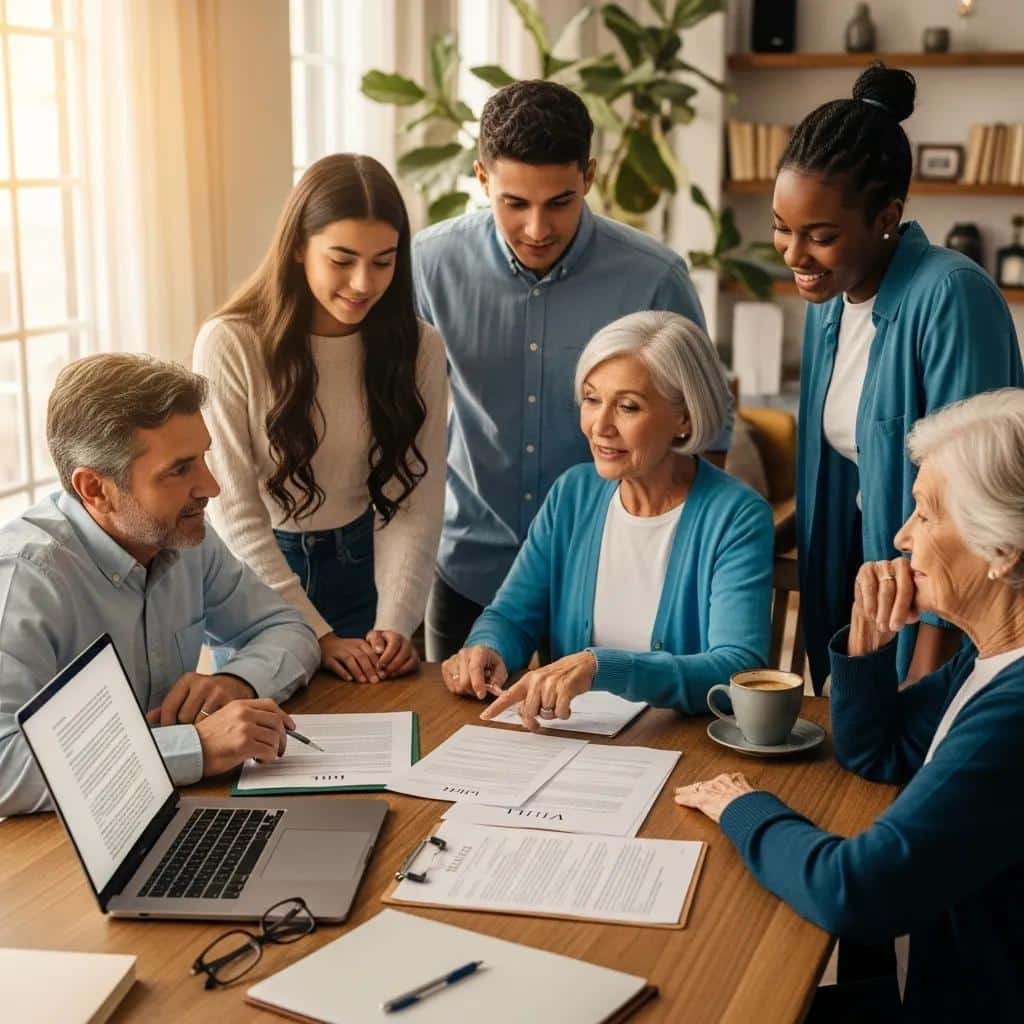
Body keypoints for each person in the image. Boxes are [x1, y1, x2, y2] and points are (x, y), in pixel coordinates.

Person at [676, 389, 1024, 1022]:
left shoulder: (1015, 709)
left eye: (926, 514)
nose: (901, 536)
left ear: (1003, 551)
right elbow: (879, 750)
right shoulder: (988, 661)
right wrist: (868, 640)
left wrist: (743, 806)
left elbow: (853, 889)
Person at [413, 80, 732, 662]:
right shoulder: (429, 267)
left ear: (587, 175)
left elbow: (706, 433)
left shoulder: (654, 277)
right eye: (515, 203)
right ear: (482, 179)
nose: (537, 228)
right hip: (469, 571)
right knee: (458, 743)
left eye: (559, 201)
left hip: (609, 575)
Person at [773, 64, 1023, 691]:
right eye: (781, 228)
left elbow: (971, 505)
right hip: (864, 606)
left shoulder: (951, 295)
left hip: (941, 630)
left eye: (820, 236)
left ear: (887, 216)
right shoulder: (829, 300)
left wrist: (924, 670)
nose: (794, 256)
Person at [0, 354, 321, 817]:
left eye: (204, 457)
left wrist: (237, 680)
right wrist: (192, 748)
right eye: (180, 469)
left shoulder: (185, 536)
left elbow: (288, 629)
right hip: (58, 855)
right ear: (95, 489)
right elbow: (5, 767)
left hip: (170, 810)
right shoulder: (22, 583)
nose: (211, 487)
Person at [439, 312, 771, 727]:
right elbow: (510, 615)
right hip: (573, 737)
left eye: (627, 406)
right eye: (592, 399)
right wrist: (489, 648)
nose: (600, 426)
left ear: (683, 418)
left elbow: (738, 669)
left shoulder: (736, 515)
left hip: (683, 747)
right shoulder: (572, 494)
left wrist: (602, 667)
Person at [194, 154, 447, 684]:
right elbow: (235, 513)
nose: (363, 282)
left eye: (384, 261)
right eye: (342, 259)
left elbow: (415, 500)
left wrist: (396, 623)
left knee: (373, 735)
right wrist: (316, 632)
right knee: (262, 747)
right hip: (258, 578)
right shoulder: (231, 343)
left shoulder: (419, 346)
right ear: (297, 249)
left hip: (363, 570)